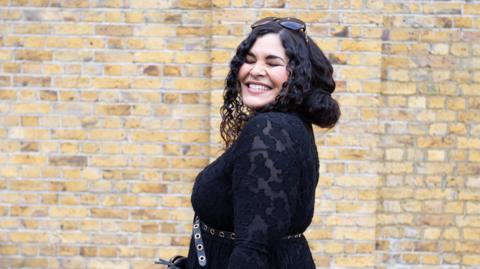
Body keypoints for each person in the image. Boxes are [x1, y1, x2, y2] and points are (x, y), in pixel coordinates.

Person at [186, 17, 340, 269]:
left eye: (272, 63)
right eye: (249, 60)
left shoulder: (269, 131)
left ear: (298, 73)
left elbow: (252, 252)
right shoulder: (289, 124)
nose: (256, 70)